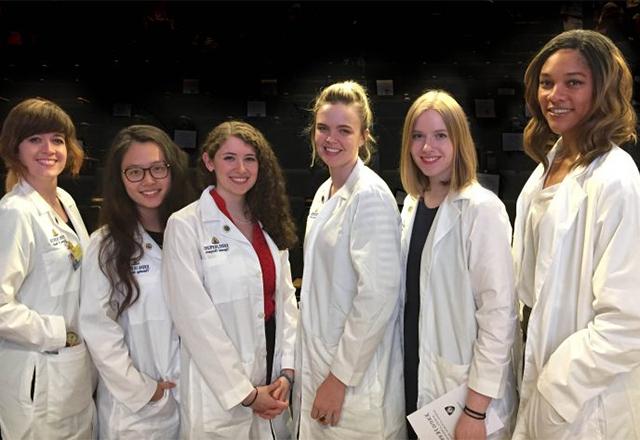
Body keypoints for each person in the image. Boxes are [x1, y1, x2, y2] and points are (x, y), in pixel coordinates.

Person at [512, 29, 640, 439]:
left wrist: (555, 391)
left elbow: (627, 321)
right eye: (547, 83)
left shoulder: (616, 179)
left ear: (602, 91)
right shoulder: (546, 168)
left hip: (582, 403)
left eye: (574, 83)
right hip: (536, 372)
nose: (555, 95)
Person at [162, 120, 298, 439]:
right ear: (209, 162)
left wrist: (288, 373)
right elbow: (194, 320)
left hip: (274, 381)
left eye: (250, 158)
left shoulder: (269, 222)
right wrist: (246, 394)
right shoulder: (185, 225)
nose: (241, 168)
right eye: (229, 158)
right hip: (219, 393)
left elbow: (287, 302)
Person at [399, 90, 518, 440]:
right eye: (418, 136)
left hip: (463, 394)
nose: (426, 147)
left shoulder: (481, 209)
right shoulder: (410, 206)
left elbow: (498, 315)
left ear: (459, 141)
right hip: (413, 377)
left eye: (440, 136)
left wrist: (475, 410)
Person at [294, 80, 405, 439]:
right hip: (320, 363)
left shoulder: (370, 196)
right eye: (323, 128)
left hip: (351, 380)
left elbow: (378, 296)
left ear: (364, 137)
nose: (331, 139)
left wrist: (339, 378)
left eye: (344, 130)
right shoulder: (324, 192)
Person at [79, 125, 193, 439]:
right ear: (120, 178)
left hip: (194, 398)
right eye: (135, 172)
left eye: (158, 168)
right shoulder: (105, 246)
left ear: (172, 170)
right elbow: (97, 326)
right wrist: (142, 390)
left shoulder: (190, 234)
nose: (149, 180)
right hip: (138, 410)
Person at [0, 98, 95, 439]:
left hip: (74, 374)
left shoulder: (65, 201)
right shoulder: (15, 212)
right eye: (34, 139)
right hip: (37, 373)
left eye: (56, 139)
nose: (48, 149)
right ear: (15, 148)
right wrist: (60, 333)